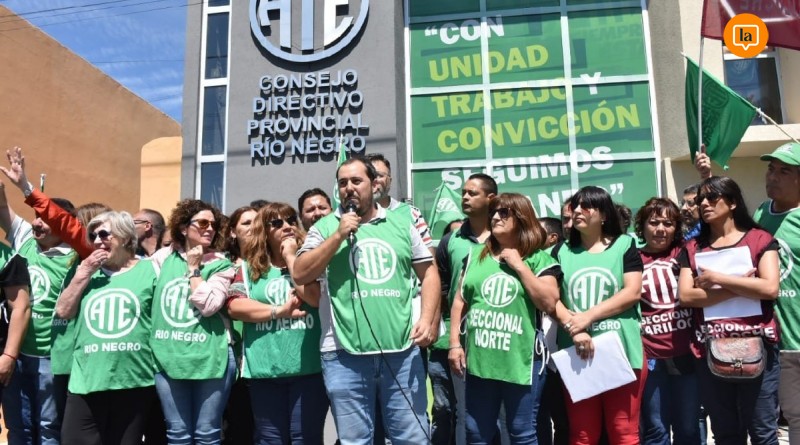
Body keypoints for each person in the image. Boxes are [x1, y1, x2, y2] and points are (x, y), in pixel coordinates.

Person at [293, 156, 440, 444]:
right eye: (342, 183)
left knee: (412, 438)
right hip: (343, 355)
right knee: (355, 440)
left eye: (356, 181)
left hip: (401, 351)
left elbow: (430, 273)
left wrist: (427, 319)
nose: (348, 188)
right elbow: (300, 272)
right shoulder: (324, 228)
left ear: (374, 185)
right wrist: (338, 235)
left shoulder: (402, 223)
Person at [448, 193, 561, 445]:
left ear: (521, 217)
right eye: (493, 213)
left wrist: (519, 266)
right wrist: (454, 343)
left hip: (522, 362)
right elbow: (459, 301)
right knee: (475, 433)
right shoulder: (475, 255)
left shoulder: (540, 259)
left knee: (522, 433)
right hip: (480, 361)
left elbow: (548, 302)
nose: (496, 217)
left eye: (504, 212)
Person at [677, 175, 781, 445]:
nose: (704, 204)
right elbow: (687, 296)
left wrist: (718, 279)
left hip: (759, 349)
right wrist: (743, 286)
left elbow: (770, 288)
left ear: (733, 202)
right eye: (701, 200)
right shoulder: (692, 248)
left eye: (712, 198)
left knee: (763, 432)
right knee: (725, 434)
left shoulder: (760, 239)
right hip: (708, 351)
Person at [551, 186, 645, 445]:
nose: (577, 211)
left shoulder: (625, 245)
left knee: (624, 432)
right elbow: (551, 299)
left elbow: (632, 292)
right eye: (575, 206)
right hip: (576, 353)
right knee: (582, 435)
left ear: (604, 215)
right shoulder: (560, 251)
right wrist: (575, 328)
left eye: (586, 206)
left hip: (622, 351)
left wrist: (587, 317)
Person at [55, 211, 158, 445]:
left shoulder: (150, 270)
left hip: (133, 379)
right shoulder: (84, 271)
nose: (98, 241)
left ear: (125, 237)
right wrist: (83, 273)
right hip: (87, 379)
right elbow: (63, 311)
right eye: (93, 236)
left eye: (104, 234)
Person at [228, 202, 327, 444]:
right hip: (264, 371)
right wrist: (279, 311)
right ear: (264, 230)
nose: (287, 226)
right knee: (270, 440)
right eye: (277, 223)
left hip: (308, 370)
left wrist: (291, 257)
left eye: (291, 220)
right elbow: (235, 306)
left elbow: (313, 298)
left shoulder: (309, 261)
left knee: (305, 439)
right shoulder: (247, 268)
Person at [149, 199, 236, 445]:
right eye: (203, 223)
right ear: (184, 227)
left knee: (207, 434)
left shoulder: (221, 264)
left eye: (214, 224)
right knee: (177, 434)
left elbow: (208, 306)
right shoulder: (162, 258)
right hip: (168, 355)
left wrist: (194, 269)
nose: (210, 229)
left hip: (211, 356)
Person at [0, 183, 73, 445]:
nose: (36, 223)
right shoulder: (25, 241)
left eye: (45, 219)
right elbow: (2, 207)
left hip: (50, 356)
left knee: (48, 425)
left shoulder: (75, 257)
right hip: (17, 353)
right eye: (36, 217)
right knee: (18, 425)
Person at [432, 173, 497, 445]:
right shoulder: (451, 240)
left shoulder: (506, 235)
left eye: (473, 193)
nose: (465, 197)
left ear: (491, 198)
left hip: (500, 335)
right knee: (463, 412)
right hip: (461, 339)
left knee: (502, 415)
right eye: (464, 193)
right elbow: (442, 287)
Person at [634, 198, 700, 445]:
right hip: (649, 356)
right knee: (655, 429)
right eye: (654, 223)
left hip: (687, 352)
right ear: (642, 226)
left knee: (689, 429)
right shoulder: (632, 258)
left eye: (668, 223)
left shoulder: (686, 252)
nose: (661, 229)